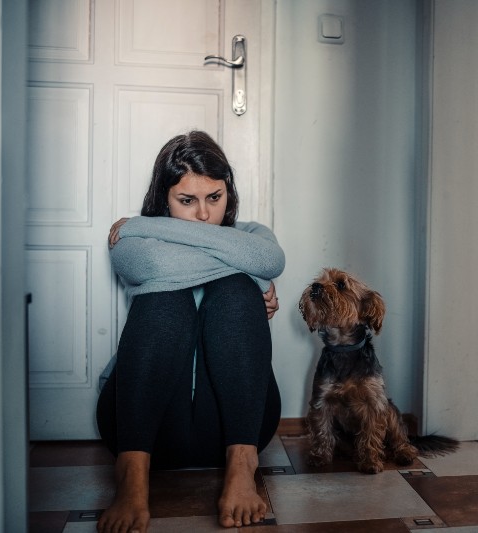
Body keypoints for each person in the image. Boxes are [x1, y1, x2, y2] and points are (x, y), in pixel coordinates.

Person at [96, 130, 285, 532]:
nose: (203, 215)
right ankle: (130, 475)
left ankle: (241, 467)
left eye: (214, 198)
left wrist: (147, 227)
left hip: (236, 427)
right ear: (162, 198)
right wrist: (253, 278)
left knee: (234, 291)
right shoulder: (132, 242)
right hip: (145, 426)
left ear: (227, 193)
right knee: (168, 297)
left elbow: (270, 258)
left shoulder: (248, 233)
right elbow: (153, 269)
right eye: (187, 201)